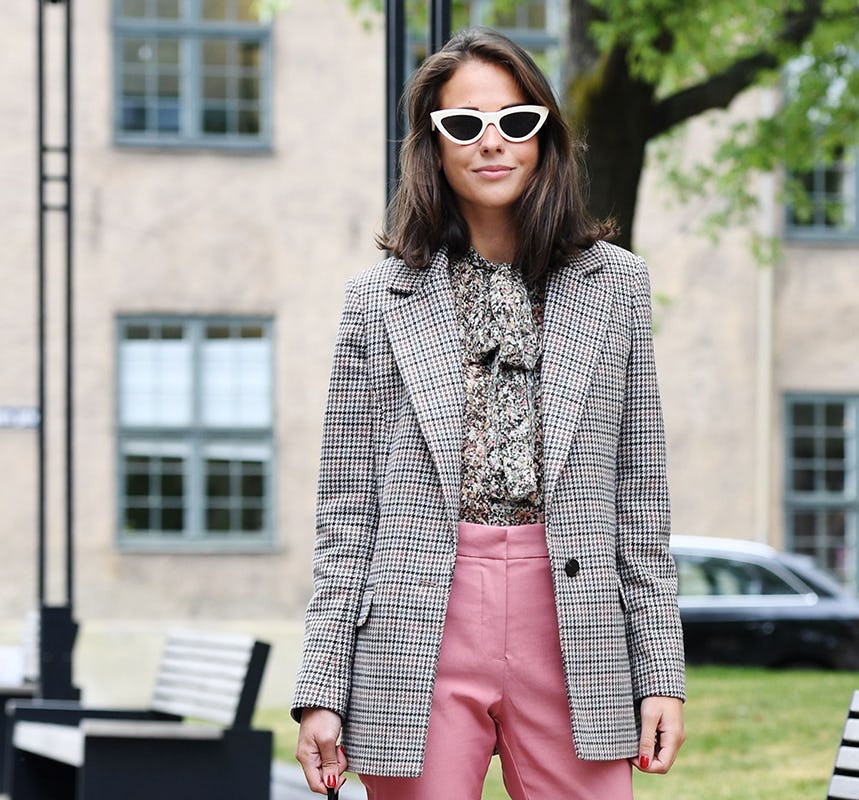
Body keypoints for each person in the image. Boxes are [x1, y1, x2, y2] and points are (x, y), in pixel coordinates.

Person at [292, 26, 686, 799]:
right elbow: (346, 513)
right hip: (417, 627)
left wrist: (660, 672)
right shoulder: (375, 302)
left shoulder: (616, 287)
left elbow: (640, 501)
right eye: (464, 125)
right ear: (432, 146)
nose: (492, 143)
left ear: (546, 133)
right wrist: (321, 688)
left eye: (516, 120)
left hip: (574, 619)